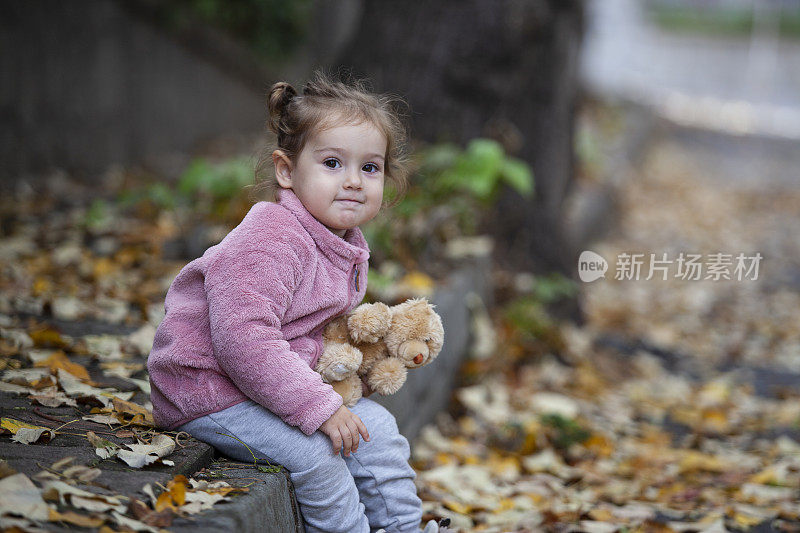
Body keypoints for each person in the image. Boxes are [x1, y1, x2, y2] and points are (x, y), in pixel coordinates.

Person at [147, 70, 447, 533]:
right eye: (332, 163)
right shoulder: (269, 240)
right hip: (211, 392)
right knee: (319, 456)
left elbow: (312, 331)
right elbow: (242, 341)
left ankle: (404, 527)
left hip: (274, 385)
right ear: (287, 171)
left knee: (380, 431)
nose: (352, 181)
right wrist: (319, 406)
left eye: (369, 167)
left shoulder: (341, 240)